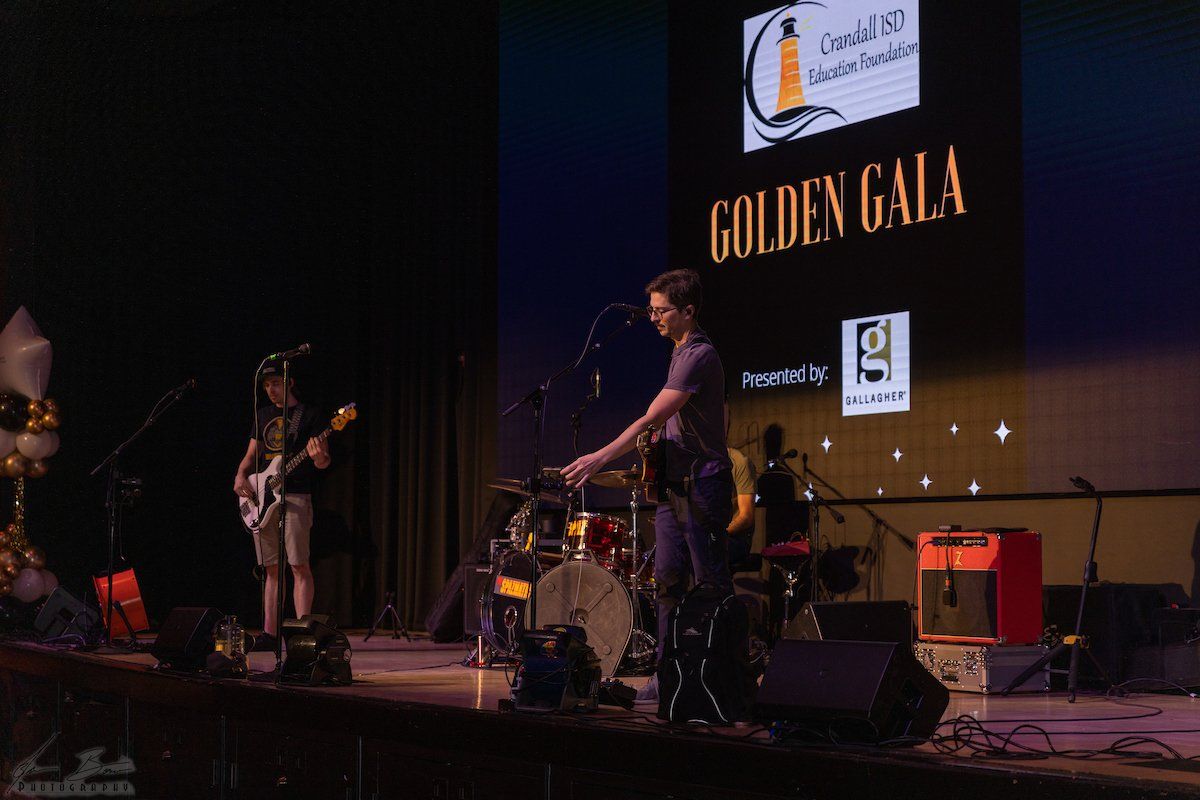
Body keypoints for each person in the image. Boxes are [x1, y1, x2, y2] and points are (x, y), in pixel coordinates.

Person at [563, 268, 732, 705]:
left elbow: (650, 416)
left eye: (661, 311)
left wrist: (601, 455)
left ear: (688, 311)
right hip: (674, 486)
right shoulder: (676, 351)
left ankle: (722, 676)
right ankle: (667, 673)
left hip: (703, 483)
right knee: (668, 581)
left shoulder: (699, 353)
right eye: (651, 310)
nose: (653, 318)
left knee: (710, 582)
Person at [233, 361, 330, 651]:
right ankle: (269, 633)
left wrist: (318, 456)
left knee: (299, 565)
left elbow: (324, 462)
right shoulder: (262, 415)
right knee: (271, 569)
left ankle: (303, 632)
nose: (270, 390)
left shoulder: (309, 415)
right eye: (266, 386)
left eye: (275, 384)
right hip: (262, 498)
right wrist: (240, 476)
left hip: (296, 496)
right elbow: (251, 456)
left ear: (289, 382)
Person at [725, 400, 758, 569]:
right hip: (706, 537)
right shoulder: (697, 462)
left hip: (733, 540)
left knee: (706, 550)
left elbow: (746, 517)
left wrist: (717, 535)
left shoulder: (739, 462)